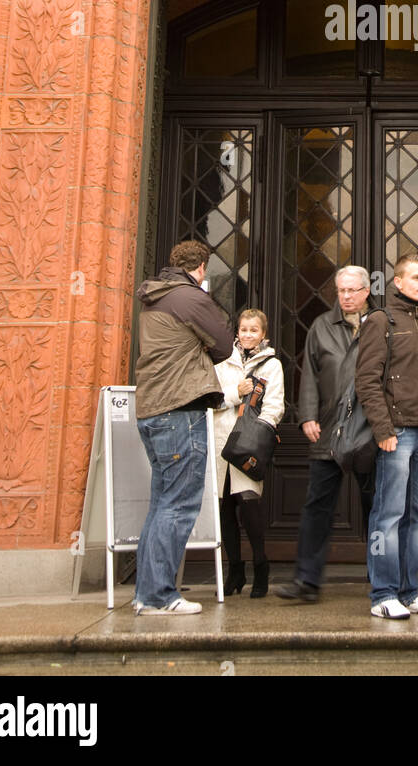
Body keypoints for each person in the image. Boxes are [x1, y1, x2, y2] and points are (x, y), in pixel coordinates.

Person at [133, 239, 234, 614]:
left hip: (152, 410)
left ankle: (146, 594)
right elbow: (224, 344)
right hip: (180, 409)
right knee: (178, 506)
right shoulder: (190, 297)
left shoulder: (155, 295)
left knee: (161, 504)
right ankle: (159, 595)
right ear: (201, 268)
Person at [355, 252, 418, 619]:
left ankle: (410, 592)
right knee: (387, 515)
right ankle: (382, 594)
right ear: (398, 282)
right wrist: (383, 430)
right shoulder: (380, 320)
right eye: (416, 278)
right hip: (396, 433)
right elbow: (366, 380)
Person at [275, 265, 378, 604]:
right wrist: (307, 415)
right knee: (317, 504)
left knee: (376, 506)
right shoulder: (321, 326)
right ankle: (307, 580)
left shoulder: (380, 324)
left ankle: (382, 577)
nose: (346, 297)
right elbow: (309, 376)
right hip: (329, 428)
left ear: (366, 292)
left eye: (352, 291)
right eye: (341, 291)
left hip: (368, 428)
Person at [213, 308, 284, 599]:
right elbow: (211, 400)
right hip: (221, 444)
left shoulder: (272, 365)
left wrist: (259, 435)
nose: (248, 335)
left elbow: (276, 406)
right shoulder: (221, 365)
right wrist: (234, 392)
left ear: (263, 334)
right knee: (225, 510)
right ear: (237, 333)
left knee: (249, 505)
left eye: (254, 330)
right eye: (244, 330)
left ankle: (260, 563)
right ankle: (235, 570)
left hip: (250, 446)